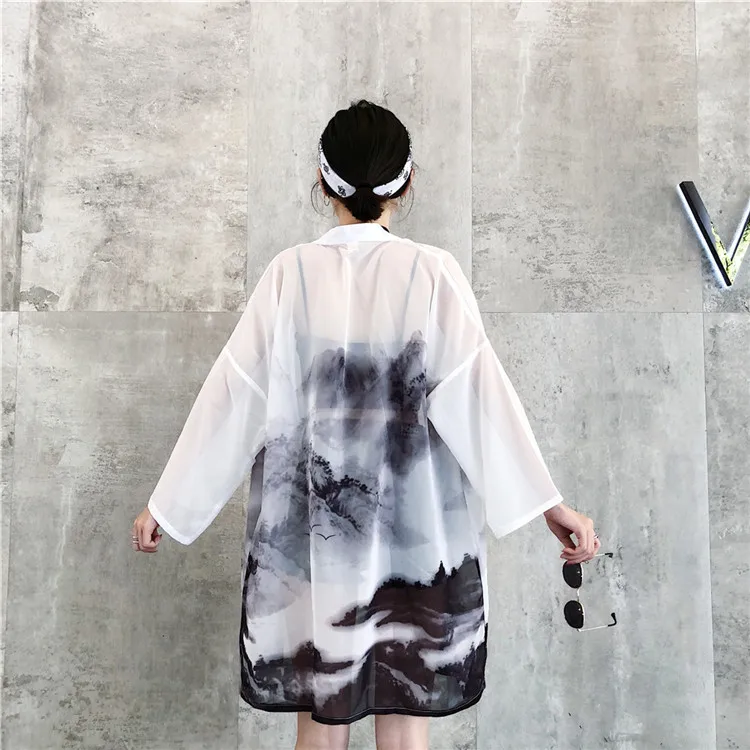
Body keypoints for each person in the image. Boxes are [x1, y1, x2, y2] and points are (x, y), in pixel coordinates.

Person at [131, 99, 600, 750]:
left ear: (323, 180)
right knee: (405, 729)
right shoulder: (431, 273)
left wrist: (169, 502)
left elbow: (236, 394)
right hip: (418, 550)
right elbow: (479, 397)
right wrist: (549, 505)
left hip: (314, 545)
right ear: (405, 183)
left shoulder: (290, 274)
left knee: (320, 728)